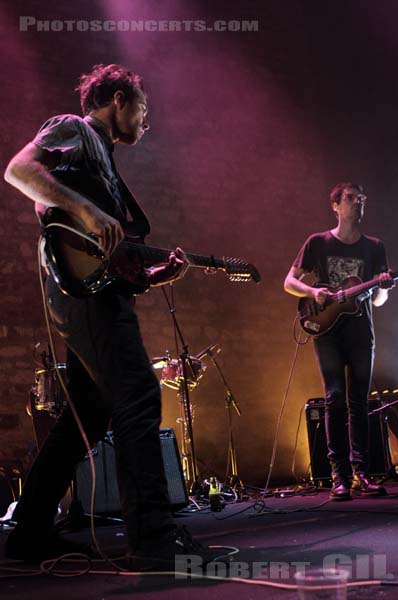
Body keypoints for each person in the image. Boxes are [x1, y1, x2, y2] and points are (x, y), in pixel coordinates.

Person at [4, 64, 225, 569]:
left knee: (88, 414)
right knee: (139, 392)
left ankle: (30, 533)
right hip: (83, 295)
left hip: (96, 289)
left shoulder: (103, 161)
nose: (147, 122)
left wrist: (152, 276)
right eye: (144, 109)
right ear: (120, 99)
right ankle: (153, 539)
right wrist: (85, 211)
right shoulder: (75, 128)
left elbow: (110, 254)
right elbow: (19, 170)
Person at [284, 182, 394, 501]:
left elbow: (378, 302)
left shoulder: (374, 247)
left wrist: (384, 287)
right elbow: (289, 282)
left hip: (361, 333)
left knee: (359, 401)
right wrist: (313, 292)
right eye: (350, 198)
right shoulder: (317, 242)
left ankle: (361, 472)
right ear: (335, 205)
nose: (358, 203)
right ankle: (338, 475)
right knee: (334, 398)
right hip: (328, 330)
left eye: (362, 198)